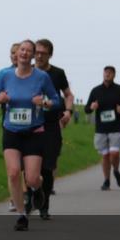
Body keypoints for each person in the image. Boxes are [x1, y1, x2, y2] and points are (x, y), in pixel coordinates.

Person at [0, 39, 61, 230]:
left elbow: (56, 100)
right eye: (22, 49)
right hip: (11, 131)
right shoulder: (5, 75)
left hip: (34, 132)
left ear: (32, 56)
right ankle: (22, 215)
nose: (24, 53)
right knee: (13, 173)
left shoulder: (41, 77)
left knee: (31, 178)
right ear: (17, 53)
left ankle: (37, 189)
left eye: (29, 51)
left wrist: (44, 102)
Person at [33, 38, 74, 219]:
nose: (39, 55)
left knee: (48, 167)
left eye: (43, 53)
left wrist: (68, 112)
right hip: (30, 124)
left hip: (51, 124)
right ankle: (32, 195)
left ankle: (44, 205)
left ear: (50, 55)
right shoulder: (27, 71)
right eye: (37, 52)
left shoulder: (58, 73)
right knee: (31, 166)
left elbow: (68, 94)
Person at [84, 66, 120, 190]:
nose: (107, 75)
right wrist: (92, 107)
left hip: (116, 127)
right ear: (103, 74)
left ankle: (116, 170)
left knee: (114, 153)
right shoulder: (96, 91)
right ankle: (106, 181)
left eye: (110, 73)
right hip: (101, 129)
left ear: (114, 75)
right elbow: (86, 109)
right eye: (106, 72)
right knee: (105, 156)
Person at [0, 43, 24, 212]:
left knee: (27, 167)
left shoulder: (33, 75)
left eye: (16, 53)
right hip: (9, 123)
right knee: (13, 168)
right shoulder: (4, 74)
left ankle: (30, 190)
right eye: (11, 53)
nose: (13, 56)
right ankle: (14, 198)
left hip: (31, 127)